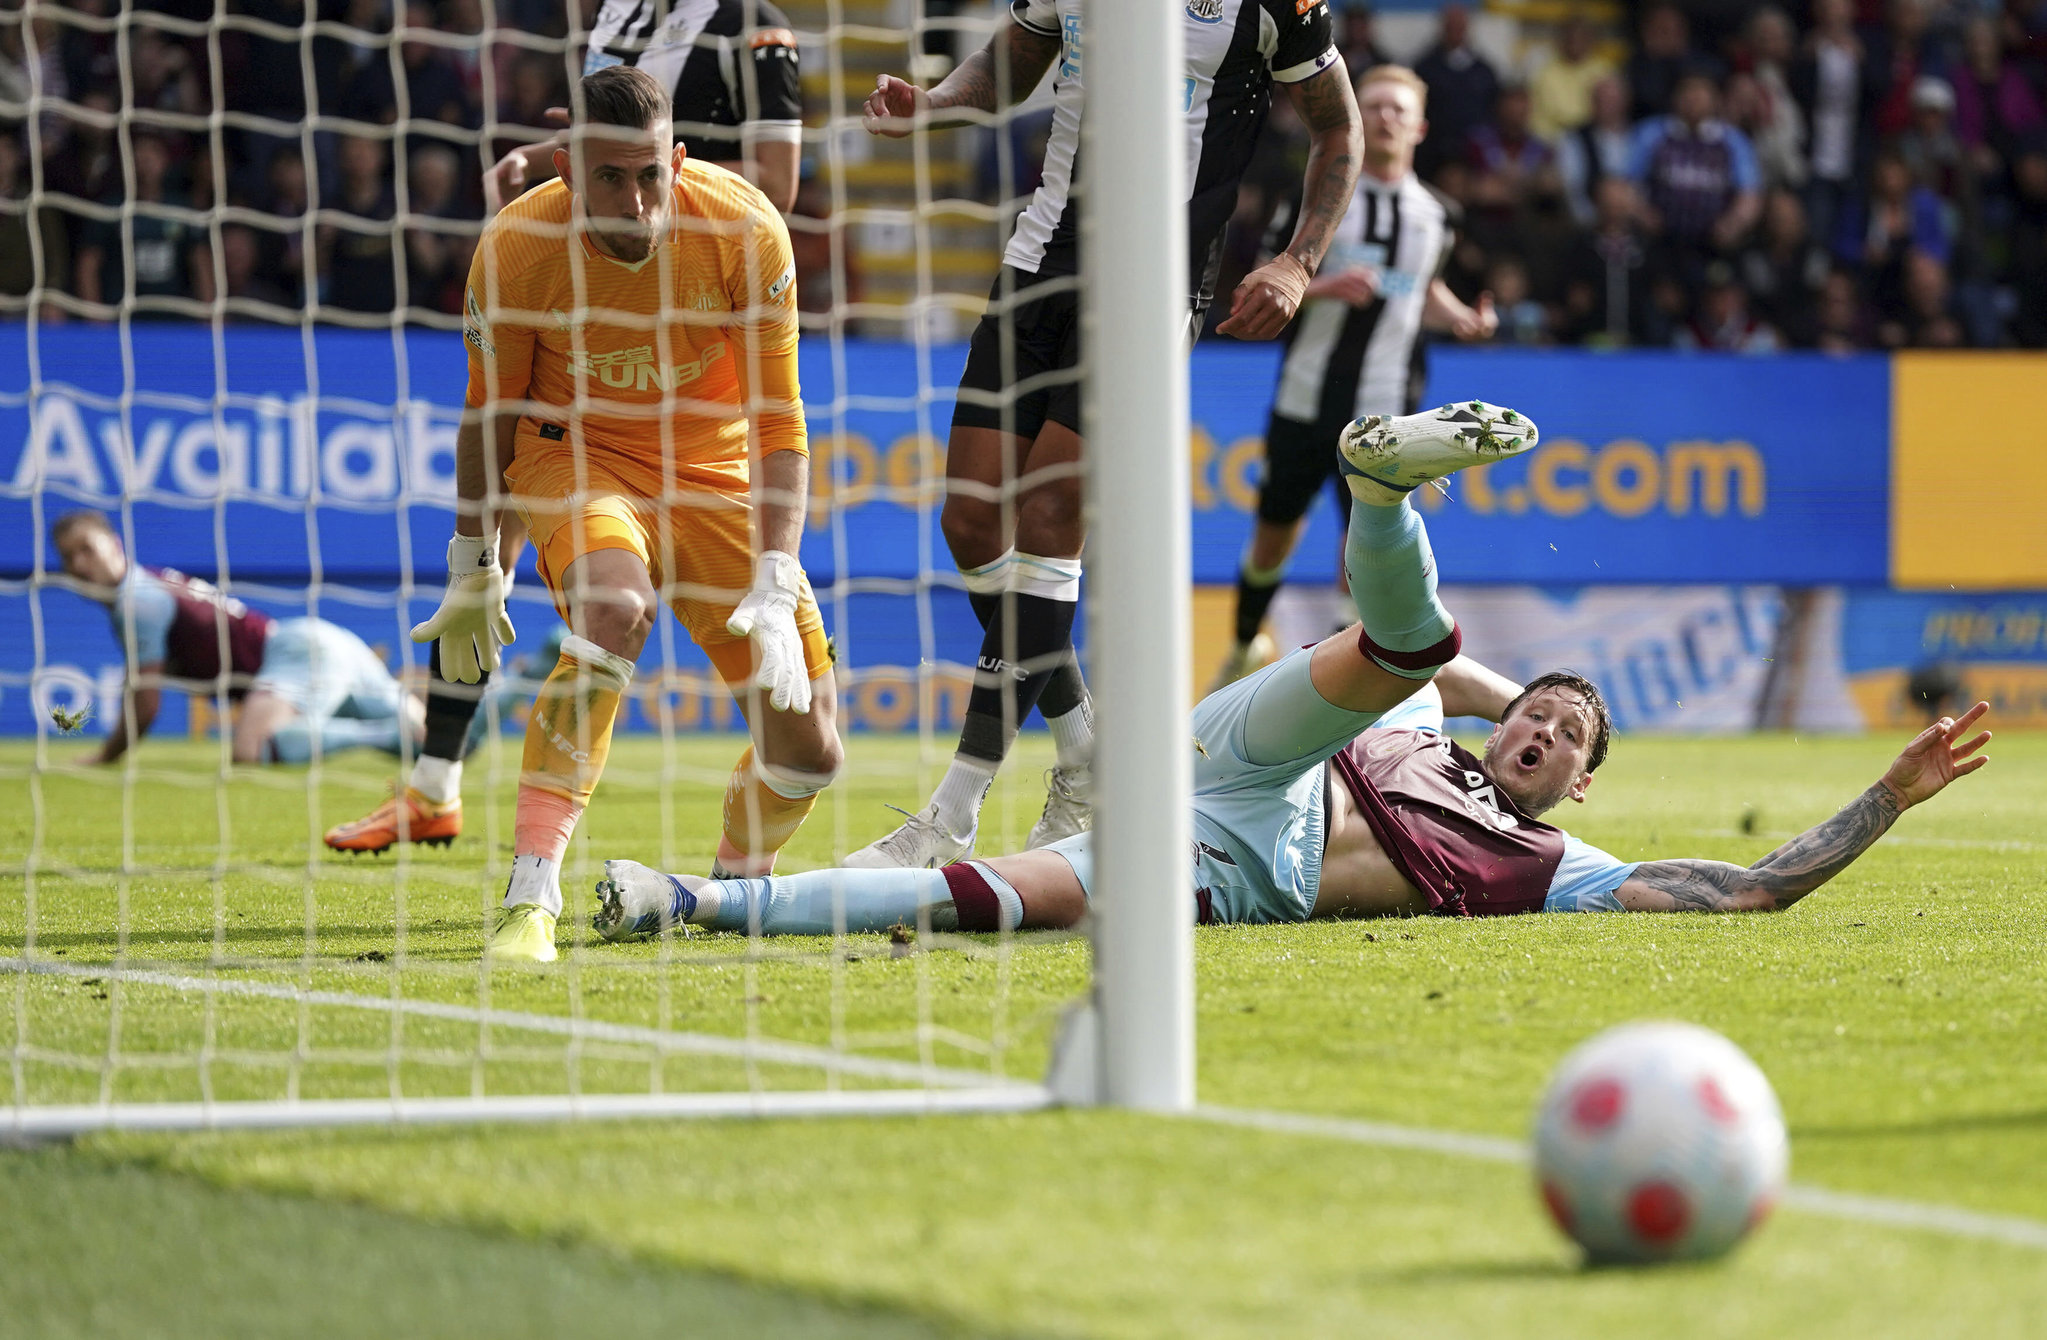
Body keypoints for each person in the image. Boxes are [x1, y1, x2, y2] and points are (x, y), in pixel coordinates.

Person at [591, 401, 1992, 938]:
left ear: (1573, 785)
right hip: (1250, 760)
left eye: (1569, 739)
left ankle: (696, 901)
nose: (1547, 736)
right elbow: (1443, 692)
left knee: (979, 908)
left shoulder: (1549, 867)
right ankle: (1376, 496)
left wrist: (1887, 794)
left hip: (1228, 871)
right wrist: (1478, 691)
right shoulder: (1437, 726)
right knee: (1402, 662)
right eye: (1544, 713)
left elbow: (1746, 887)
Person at [850, 0, 1363, 869]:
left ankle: (949, 817)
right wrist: (934, 103)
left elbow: (1336, 129)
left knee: (1051, 521)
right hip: (1037, 260)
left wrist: (1293, 261)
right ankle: (1087, 751)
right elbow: (1014, 62)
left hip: (1153, 281)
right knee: (971, 525)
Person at [328, 0, 806, 855]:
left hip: (679, 321)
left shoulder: (748, 25)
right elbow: (605, 136)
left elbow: (776, 176)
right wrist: (560, 175)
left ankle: (438, 785)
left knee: (503, 560)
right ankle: (438, 783)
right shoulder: (617, 17)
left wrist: (630, 174)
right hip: (578, 326)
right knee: (483, 564)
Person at [412, 64, 840, 963]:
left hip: (717, 473)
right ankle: (532, 895)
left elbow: (780, 422)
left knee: (808, 754)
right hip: (581, 456)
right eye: (609, 177)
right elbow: (491, 417)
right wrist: (471, 560)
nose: (636, 202)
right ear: (567, 167)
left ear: (676, 160)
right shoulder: (519, 246)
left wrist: (774, 572)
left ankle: (722, 897)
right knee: (614, 608)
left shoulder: (744, 228)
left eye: (651, 176)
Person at [1211, 66, 1495, 692]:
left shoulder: (1437, 216)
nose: (1387, 117)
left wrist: (1461, 319)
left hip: (1385, 418)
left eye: (1399, 108)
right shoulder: (1319, 195)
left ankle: (1344, 678)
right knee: (1272, 538)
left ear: (1419, 126)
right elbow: (1266, 276)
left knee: (1362, 549)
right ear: (1359, 117)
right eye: (1375, 106)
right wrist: (1321, 284)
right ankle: (1242, 643)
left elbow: (1423, 289)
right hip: (1305, 397)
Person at [51, 511, 421, 767]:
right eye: (69, 557)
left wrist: (105, 757)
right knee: (430, 738)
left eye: (87, 548)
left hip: (298, 656)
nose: (80, 565)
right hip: (321, 646)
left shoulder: (136, 601)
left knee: (251, 747)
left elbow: (145, 703)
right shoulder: (148, 585)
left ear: (115, 544)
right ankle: (473, 710)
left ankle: (382, 734)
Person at [485, 0, 802, 213]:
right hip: (606, 241)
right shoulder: (615, 8)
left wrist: (653, 174)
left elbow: (776, 185)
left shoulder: (756, 25)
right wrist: (526, 160)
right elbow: (615, 143)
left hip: (704, 254)